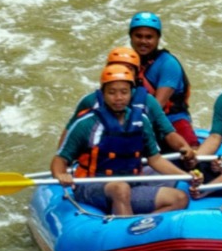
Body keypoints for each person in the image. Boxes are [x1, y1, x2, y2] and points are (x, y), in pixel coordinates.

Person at [52, 66, 193, 217]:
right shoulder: (86, 124)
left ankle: (141, 226)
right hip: (90, 186)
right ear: (103, 93)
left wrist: (187, 176)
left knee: (179, 198)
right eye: (112, 92)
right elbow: (59, 159)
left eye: (124, 92)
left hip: (130, 184)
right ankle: (127, 229)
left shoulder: (141, 121)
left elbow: (155, 159)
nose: (118, 97)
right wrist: (61, 174)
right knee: (120, 188)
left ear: (131, 94)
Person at [66, 46, 199, 164]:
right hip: (100, 162)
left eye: (128, 69)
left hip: (135, 159)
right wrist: (64, 163)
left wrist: (184, 147)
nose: (121, 72)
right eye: (116, 67)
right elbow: (70, 132)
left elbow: (168, 132)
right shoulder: (90, 101)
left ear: (137, 73)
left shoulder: (148, 101)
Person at [127, 12, 197, 150]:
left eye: (149, 37)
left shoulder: (168, 64)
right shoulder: (125, 62)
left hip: (172, 120)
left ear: (158, 38)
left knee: (191, 152)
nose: (143, 41)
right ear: (131, 37)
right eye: (138, 36)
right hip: (138, 119)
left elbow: (156, 107)